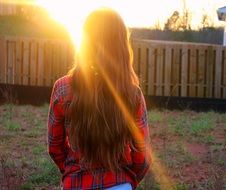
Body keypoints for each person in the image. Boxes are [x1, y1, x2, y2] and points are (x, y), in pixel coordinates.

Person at [48, 7, 151, 190]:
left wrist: (73, 171)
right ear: (121, 46)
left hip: (75, 184)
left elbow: (55, 147)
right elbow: (141, 156)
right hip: (119, 184)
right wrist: (127, 180)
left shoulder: (62, 88)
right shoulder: (132, 93)